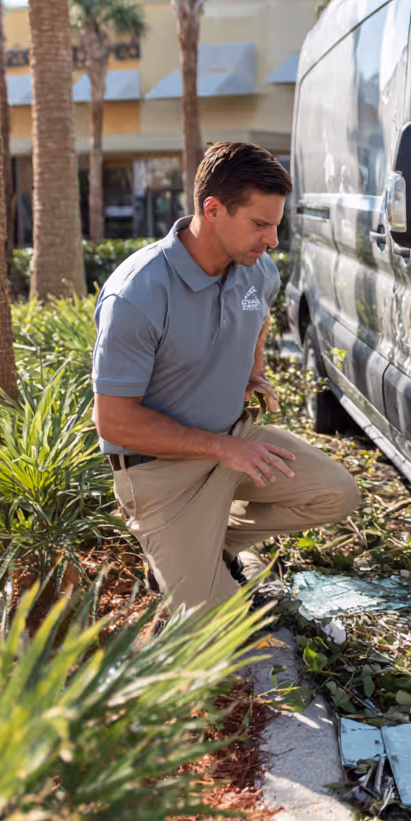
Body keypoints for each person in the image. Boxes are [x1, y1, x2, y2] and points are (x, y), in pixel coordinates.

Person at [91, 142, 361, 610]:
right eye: (260, 224)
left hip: (234, 441)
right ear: (212, 209)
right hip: (159, 473)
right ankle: (183, 551)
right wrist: (222, 447)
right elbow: (114, 424)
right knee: (217, 630)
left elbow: (258, 319)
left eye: (276, 225)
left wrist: (253, 372)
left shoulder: (257, 270)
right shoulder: (137, 295)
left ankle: (209, 541)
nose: (273, 240)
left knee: (336, 494)